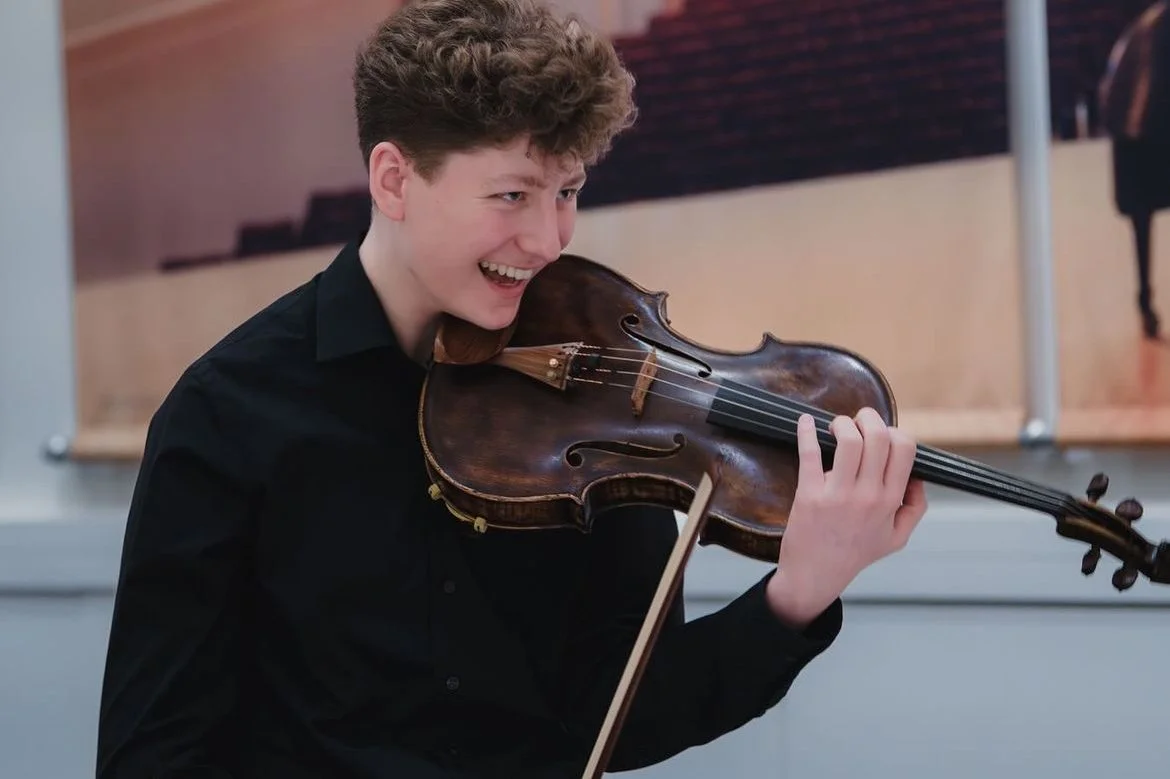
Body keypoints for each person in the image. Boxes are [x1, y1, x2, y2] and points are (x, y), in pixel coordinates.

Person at [95, 1, 928, 776]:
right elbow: (156, 753)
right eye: (512, 194)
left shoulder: (598, 394)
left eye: (567, 192)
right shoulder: (226, 415)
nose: (547, 238)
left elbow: (625, 711)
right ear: (393, 179)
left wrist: (797, 593)